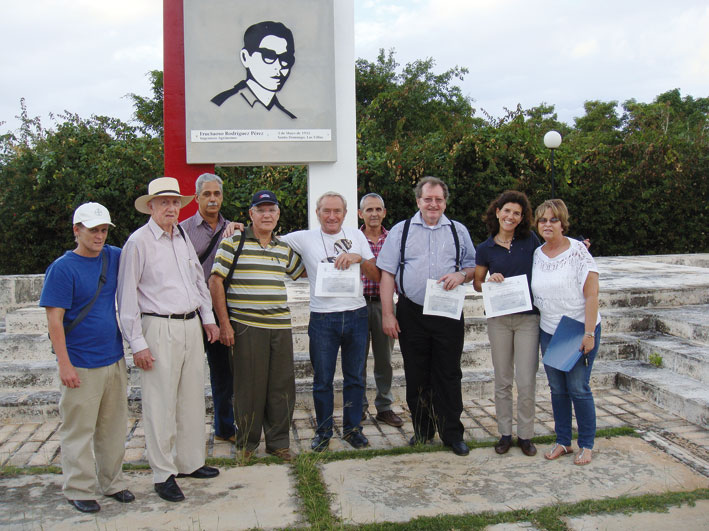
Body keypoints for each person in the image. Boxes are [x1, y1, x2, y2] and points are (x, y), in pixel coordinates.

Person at [117, 177, 220, 503]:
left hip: (190, 326)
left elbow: (196, 281)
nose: (172, 208)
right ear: (151, 206)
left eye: (175, 202)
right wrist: (137, 343)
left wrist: (208, 318)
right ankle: (163, 474)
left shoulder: (181, 238)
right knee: (160, 403)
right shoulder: (139, 242)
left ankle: (190, 462)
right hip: (158, 328)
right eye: (164, 203)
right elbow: (127, 296)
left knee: (191, 398)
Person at [40, 203, 134, 513]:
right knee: (79, 430)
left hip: (113, 358)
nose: (99, 235)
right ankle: (78, 488)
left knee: (113, 427)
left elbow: (145, 251)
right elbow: (55, 321)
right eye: (93, 229)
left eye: (104, 229)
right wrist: (64, 365)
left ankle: (112, 482)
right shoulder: (62, 269)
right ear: (76, 230)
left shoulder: (113, 256)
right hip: (80, 363)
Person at [377, 177, 476, 456]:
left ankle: (452, 434)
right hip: (412, 312)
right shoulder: (401, 230)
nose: (433, 204)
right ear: (418, 201)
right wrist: (388, 313)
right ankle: (422, 431)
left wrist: (461, 274)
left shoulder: (458, 230)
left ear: (445, 202)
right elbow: (387, 274)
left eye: (439, 199)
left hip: (448, 312)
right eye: (428, 199)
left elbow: (472, 267)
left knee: (448, 374)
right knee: (417, 374)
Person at [208, 190, 305, 461]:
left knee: (281, 387)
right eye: (260, 210)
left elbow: (304, 271)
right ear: (250, 214)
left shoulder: (283, 248)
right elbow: (215, 281)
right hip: (246, 327)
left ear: (277, 215)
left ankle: (278, 443)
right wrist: (225, 324)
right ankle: (247, 445)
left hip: (280, 326)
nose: (266, 214)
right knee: (249, 388)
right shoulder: (233, 242)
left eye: (271, 210)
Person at [280, 192, 380, 451]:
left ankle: (352, 429)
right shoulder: (304, 238)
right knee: (322, 379)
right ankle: (323, 431)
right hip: (323, 319)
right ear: (317, 212)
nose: (332, 216)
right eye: (326, 211)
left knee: (355, 377)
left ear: (345, 214)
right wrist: (235, 228)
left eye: (337, 211)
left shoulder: (357, 236)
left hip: (357, 315)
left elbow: (376, 274)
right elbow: (267, 238)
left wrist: (358, 257)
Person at [531, 199, 601, 466]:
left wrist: (589, 333)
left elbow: (592, 295)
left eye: (553, 220)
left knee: (578, 388)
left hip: (578, 329)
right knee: (557, 389)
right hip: (549, 330)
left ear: (563, 223)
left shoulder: (579, 252)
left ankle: (586, 445)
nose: (547, 224)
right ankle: (563, 441)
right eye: (543, 220)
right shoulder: (537, 254)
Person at [473, 191, 541, 457]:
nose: (510, 216)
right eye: (507, 211)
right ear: (497, 211)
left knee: (525, 380)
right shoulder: (485, 248)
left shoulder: (530, 240)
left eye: (517, 213)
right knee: (502, 379)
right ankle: (504, 434)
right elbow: (477, 283)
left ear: (522, 218)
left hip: (528, 319)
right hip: (499, 319)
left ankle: (525, 435)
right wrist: (489, 281)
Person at [180, 173, 236, 444]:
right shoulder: (182, 230)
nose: (212, 199)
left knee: (224, 374)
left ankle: (225, 429)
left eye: (217, 194)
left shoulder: (235, 229)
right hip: (192, 312)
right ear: (197, 197)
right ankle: (186, 434)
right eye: (207, 194)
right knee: (189, 374)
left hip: (224, 311)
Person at [357, 193, 403, 427]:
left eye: (378, 209)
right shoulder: (353, 239)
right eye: (369, 210)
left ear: (384, 212)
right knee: (358, 360)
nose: (373, 214)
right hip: (357, 304)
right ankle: (359, 408)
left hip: (385, 305)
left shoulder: (394, 238)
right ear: (360, 214)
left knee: (384, 359)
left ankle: (384, 407)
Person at [211, 20, 297, 119]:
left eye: (286, 59)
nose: (279, 67)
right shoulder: (221, 104)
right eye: (269, 56)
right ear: (245, 57)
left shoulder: (287, 116)